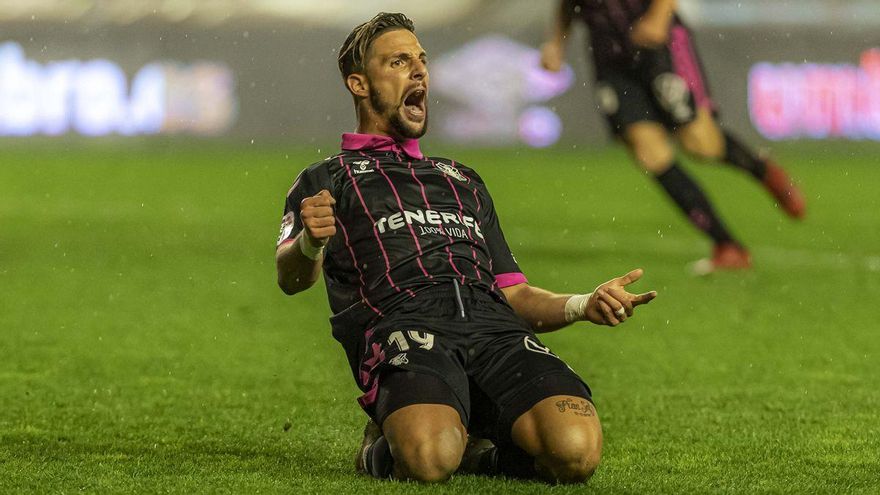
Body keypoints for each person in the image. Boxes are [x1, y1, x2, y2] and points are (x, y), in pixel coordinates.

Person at [275, 12, 657, 484]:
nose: (418, 71)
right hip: (409, 329)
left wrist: (582, 303)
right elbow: (290, 279)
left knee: (576, 453)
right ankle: (388, 439)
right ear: (359, 84)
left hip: (493, 329)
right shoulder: (327, 178)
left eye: (421, 60)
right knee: (430, 460)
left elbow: (515, 296)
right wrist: (312, 243)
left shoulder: (463, 180)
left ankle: (478, 449)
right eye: (398, 62)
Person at [541, 0, 806, 274]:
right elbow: (568, 5)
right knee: (649, 154)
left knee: (700, 145)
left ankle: (763, 170)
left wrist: (658, 16)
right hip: (611, 58)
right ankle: (728, 246)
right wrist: (556, 43)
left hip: (660, 45)